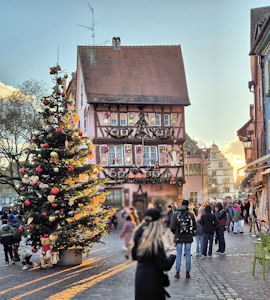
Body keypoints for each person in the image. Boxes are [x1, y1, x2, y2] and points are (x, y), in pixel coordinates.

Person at [132, 209, 176, 300]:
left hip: (140, 279)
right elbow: (165, 265)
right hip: (153, 281)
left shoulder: (139, 236)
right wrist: (173, 255)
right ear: (157, 223)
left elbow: (134, 255)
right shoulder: (155, 242)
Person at [170, 200, 196, 279]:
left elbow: (172, 226)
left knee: (179, 254)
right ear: (188, 205)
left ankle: (177, 272)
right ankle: (187, 272)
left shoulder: (175, 214)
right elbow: (194, 226)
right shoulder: (191, 215)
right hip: (188, 237)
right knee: (188, 254)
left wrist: (176, 233)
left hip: (179, 236)